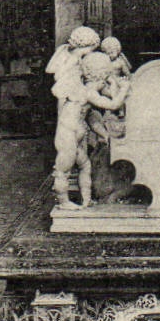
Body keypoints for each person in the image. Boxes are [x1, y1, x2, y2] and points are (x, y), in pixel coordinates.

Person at [53, 51, 130, 208]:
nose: (106, 86)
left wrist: (104, 134)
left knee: (85, 166)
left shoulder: (86, 95)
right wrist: (124, 88)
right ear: (100, 77)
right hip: (67, 136)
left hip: (75, 136)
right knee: (63, 169)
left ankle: (86, 199)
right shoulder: (87, 92)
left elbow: (91, 119)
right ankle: (63, 202)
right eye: (106, 81)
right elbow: (113, 104)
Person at [45, 25, 101, 100]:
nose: (90, 52)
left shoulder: (70, 52)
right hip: (66, 90)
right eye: (90, 49)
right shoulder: (73, 57)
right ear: (83, 46)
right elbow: (58, 75)